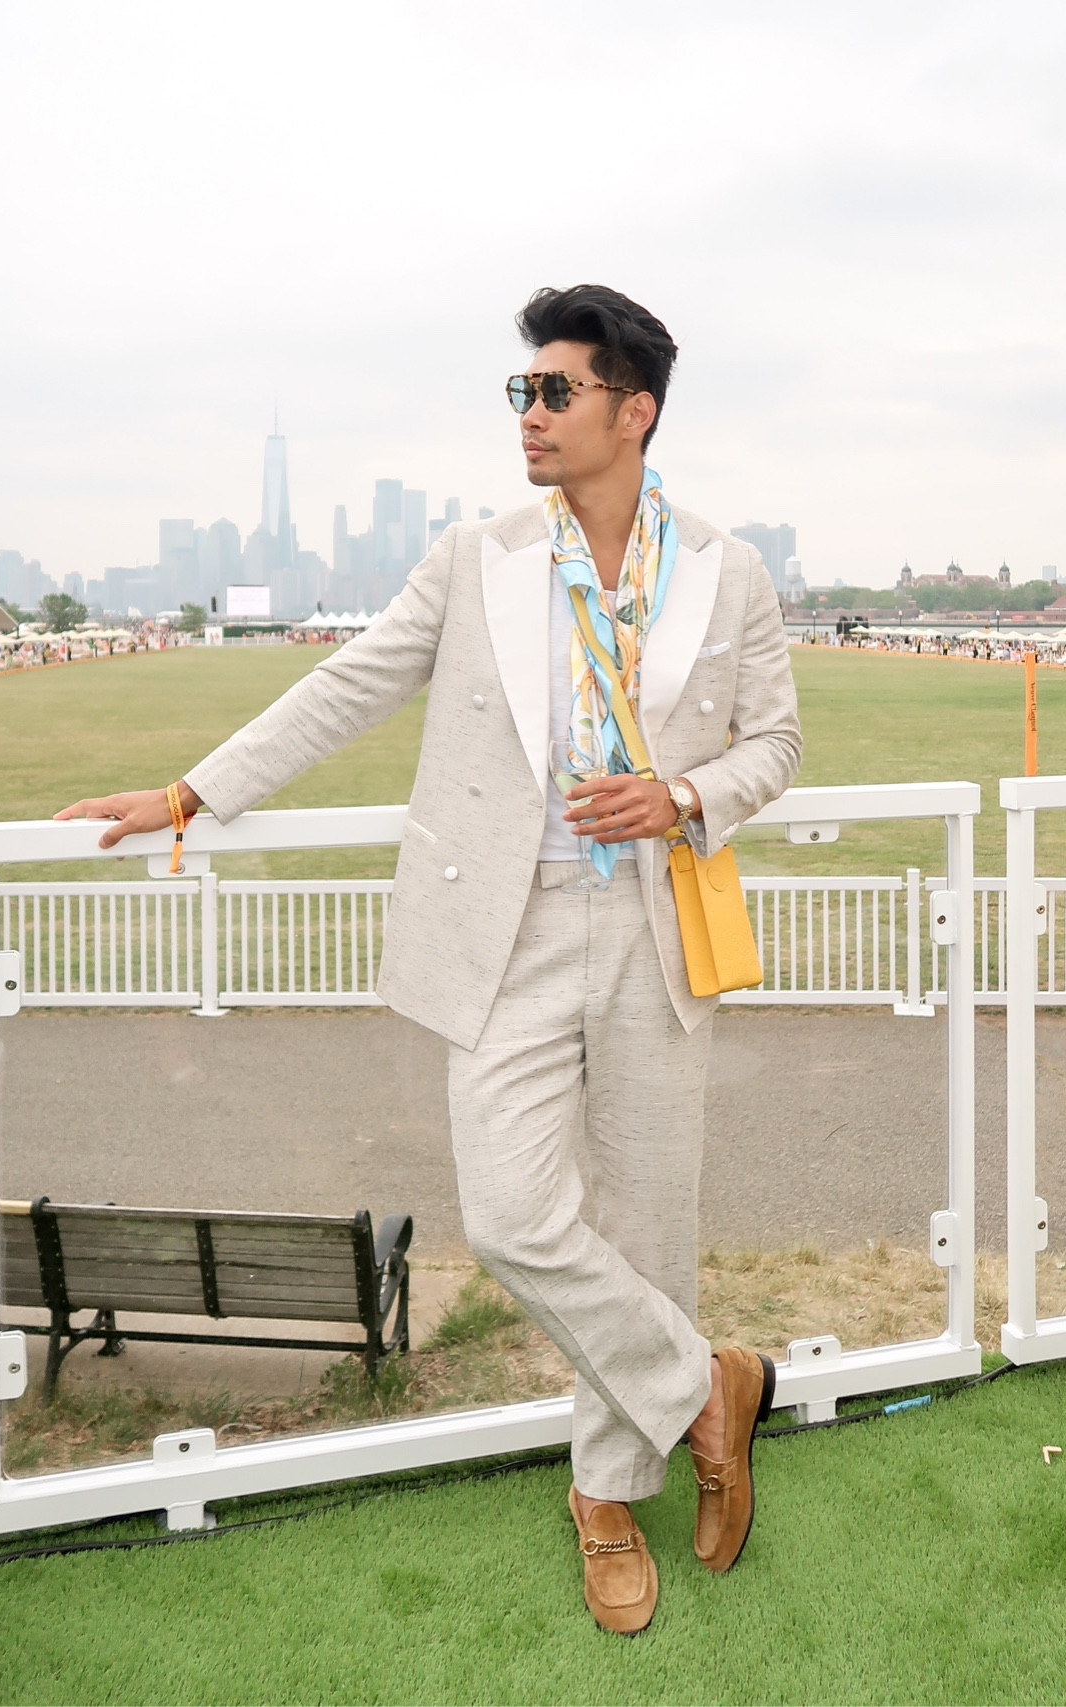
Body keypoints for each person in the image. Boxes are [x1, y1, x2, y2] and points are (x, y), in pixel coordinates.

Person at [56, 284, 802, 1635]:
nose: (528, 413)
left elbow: (776, 747)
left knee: (644, 1225)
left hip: (652, 924)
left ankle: (604, 1494)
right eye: (519, 391)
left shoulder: (726, 570)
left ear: (632, 412)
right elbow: (346, 684)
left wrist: (684, 797)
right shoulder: (476, 558)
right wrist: (190, 793)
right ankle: (709, 1390)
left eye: (554, 391)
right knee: (517, 1218)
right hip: (502, 932)